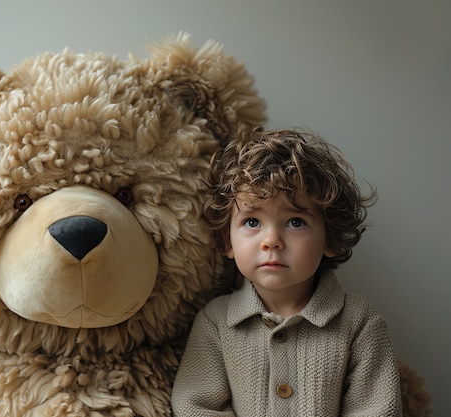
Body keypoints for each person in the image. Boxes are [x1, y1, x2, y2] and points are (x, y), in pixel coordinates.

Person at [171, 124, 402, 416]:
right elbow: (195, 405)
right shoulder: (216, 322)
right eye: (252, 222)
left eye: (295, 222)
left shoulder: (359, 323)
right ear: (227, 241)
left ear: (330, 238)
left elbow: (377, 409)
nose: (271, 241)